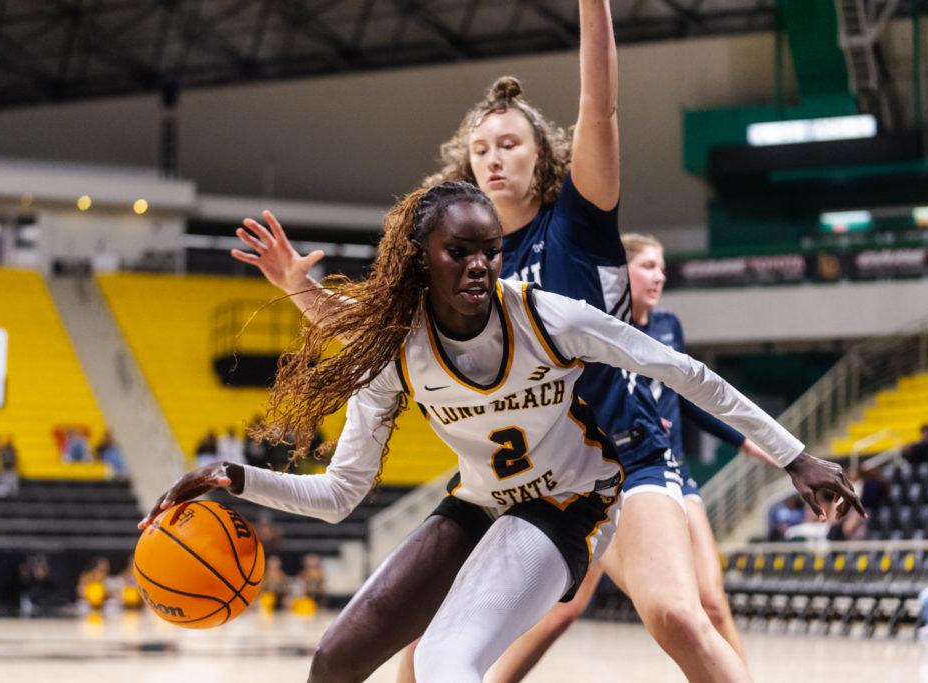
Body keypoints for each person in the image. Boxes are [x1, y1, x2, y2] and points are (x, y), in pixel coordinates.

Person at [232, 5, 863, 679]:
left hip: (620, 460)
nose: (494, 157)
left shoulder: (577, 224)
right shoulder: (459, 262)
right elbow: (379, 334)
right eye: (481, 149)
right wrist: (299, 288)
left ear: (544, 154)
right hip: (517, 474)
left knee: (677, 614)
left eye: (509, 143)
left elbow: (600, 107)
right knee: (423, 656)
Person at [147, 183, 862, 682]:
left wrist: (794, 455)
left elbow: (683, 372)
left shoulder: (548, 316)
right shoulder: (396, 351)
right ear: (420, 259)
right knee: (334, 662)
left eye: (489, 249)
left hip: (571, 502)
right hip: (482, 500)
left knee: (445, 660)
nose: (479, 264)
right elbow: (340, 494)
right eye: (458, 250)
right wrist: (232, 477)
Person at [485, 233, 779, 678]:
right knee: (564, 611)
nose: (659, 276)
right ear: (620, 272)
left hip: (664, 472)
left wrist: (741, 439)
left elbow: (685, 393)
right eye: (648, 266)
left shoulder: (668, 325)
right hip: (601, 478)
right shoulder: (591, 324)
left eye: (662, 268)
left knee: (712, 602)